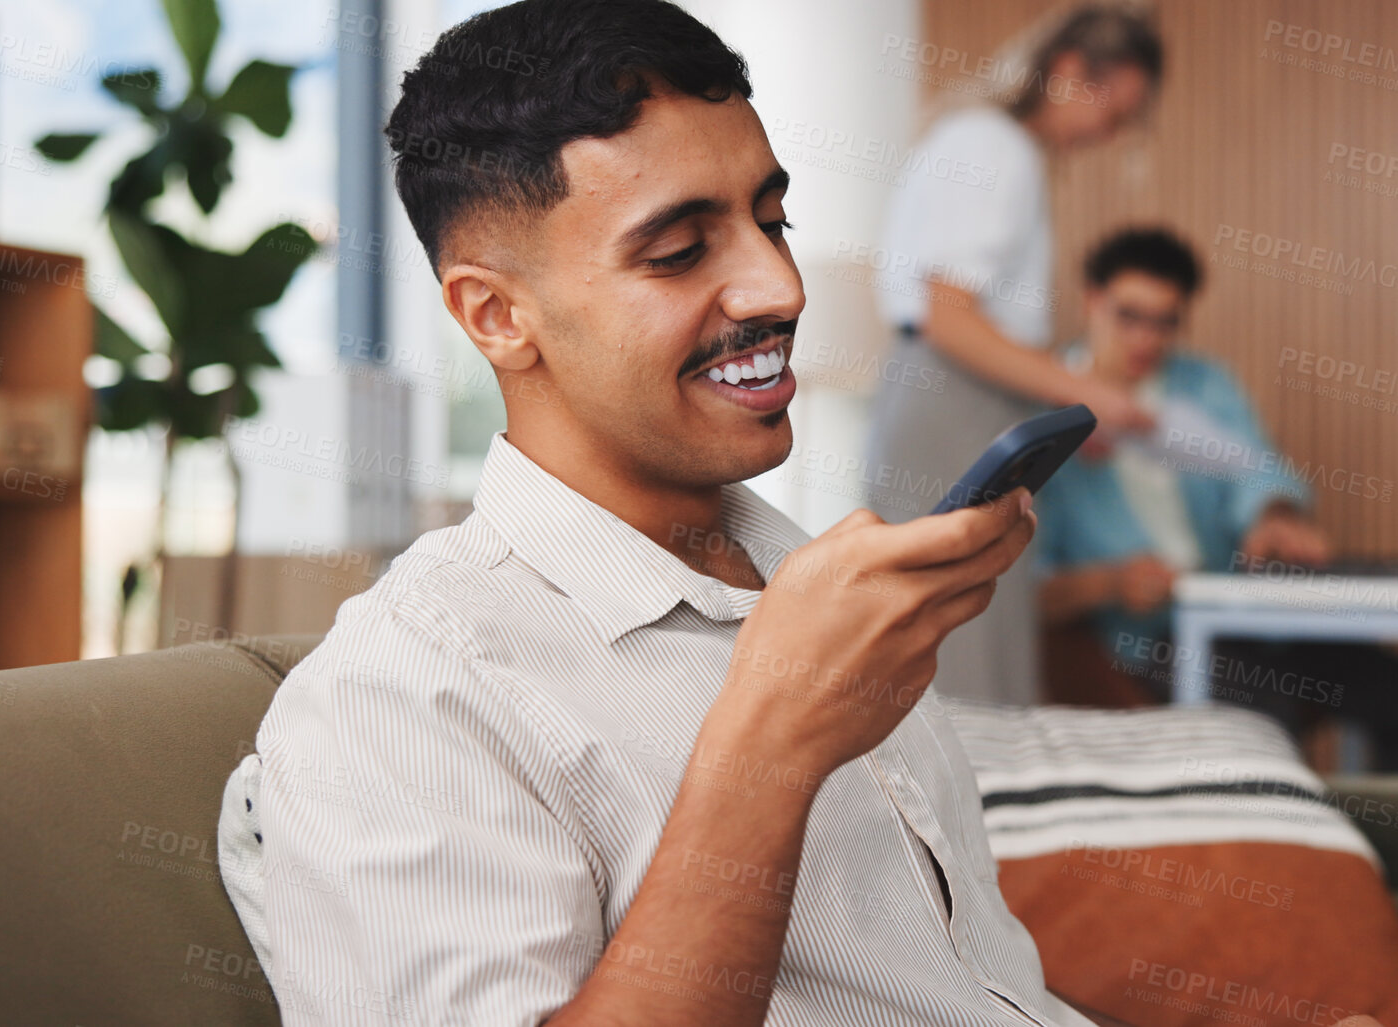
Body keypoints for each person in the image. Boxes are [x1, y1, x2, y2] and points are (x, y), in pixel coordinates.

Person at [207, 3, 1183, 1024]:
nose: (779, 285)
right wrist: (770, 744)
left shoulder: (807, 573)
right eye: (678, 251)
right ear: (496, 316)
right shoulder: (403, 696)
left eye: (773, 220)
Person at [1034, 228, 1398, 775]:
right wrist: (1111, 583)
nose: (1147, 338)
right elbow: (1025, 588)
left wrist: (1275, 516)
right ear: (1092, 301)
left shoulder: (1205, 385)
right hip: (1153, 640)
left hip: (1249, 617)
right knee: (1262, 725)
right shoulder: (1043, 408)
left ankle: (1396, 859)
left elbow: (1257, 468)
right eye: (1129, 316)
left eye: (1166, 322)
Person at [860, 5, 1164, 707]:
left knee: (978, 620)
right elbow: (951, 318)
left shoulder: (996, 148)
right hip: (948, 402)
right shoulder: (994, 148)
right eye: (1111, 111)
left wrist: (1056, 400)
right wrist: (1085, 390)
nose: (1108, 134)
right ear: (1066, 71)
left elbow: (980, 320)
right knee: (956, 639)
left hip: (968, 400)